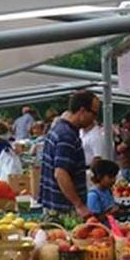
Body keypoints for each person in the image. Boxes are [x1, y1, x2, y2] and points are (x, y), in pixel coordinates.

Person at [39, 90, 99, 218]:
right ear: (82, 111)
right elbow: (61, 173)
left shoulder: (58, 129)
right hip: (63, 209)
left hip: (54, 204)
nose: (95, 118)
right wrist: (79, 205)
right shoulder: (67, 136)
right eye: (94, 113)